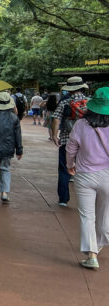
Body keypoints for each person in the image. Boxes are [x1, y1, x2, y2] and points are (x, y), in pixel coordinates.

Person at [66, 87, 109, 269]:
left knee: (87, 216)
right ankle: (99, 244)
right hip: (107, 174)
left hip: (84, 175)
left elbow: (71, 148)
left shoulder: (81, 125)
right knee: (105, 214)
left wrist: (70, 165)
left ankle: (91, 254)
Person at [51, 77, 90, 208]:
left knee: (64, 170)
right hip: (87, 143)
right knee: (86, 171)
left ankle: (63, 199)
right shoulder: (90, 102)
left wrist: (55, 135)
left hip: (67, 140)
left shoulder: (65, 102)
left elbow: (56, 119)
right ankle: (86, 200)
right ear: (82, 87)